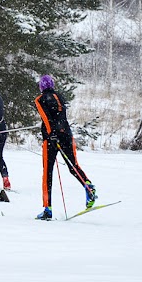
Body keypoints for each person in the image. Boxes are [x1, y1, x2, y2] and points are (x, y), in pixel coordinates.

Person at [33, 74, 96, 220]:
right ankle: (88, 186)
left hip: (51, 139)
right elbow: (60, 116)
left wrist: (51, 133)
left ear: (41, 86)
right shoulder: (59, 96)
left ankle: (47, 209)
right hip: (67, 135)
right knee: (73, 166)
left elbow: (47, 118)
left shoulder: (40, 99)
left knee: (47, 173)